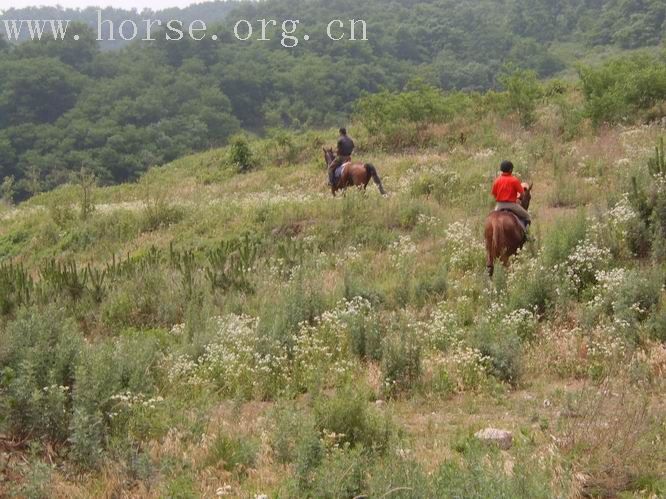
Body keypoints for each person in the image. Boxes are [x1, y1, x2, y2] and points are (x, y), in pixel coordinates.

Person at [491, 160, 531, 226]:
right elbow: (522, 194)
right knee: (527, 216)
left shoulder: (497, 180)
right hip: (512, 205)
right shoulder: (514, 180)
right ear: (510, 170)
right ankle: (526, 235)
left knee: (492, 219)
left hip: (499, 205)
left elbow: (494, 194)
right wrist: (518, 198)